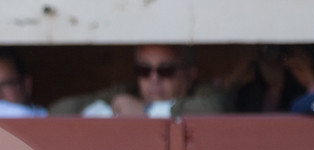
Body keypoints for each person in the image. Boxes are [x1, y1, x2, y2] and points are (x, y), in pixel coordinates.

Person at [51, 44, 230, 117]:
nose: (154, 78)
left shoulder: (207, 94)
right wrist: (114, 107)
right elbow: (59, 110)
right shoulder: (128, 92)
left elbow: (213, 109)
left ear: (189, 75)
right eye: (144, 70)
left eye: (165, 70)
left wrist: (145, 111)